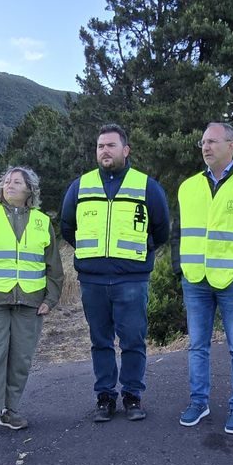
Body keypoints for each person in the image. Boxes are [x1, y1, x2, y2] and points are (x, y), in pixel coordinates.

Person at [60, 123, 171, 422]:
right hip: (93, 281)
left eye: (110, 145)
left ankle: (132, 397)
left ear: (126, 150)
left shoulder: (146, 186)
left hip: (131, 280)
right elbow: (67, 227)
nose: (104, 151)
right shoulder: (80, 186)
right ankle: (105, 397)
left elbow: (161, 229)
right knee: (100, 341)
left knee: (133, 341)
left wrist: (138, 255)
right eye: (100, 146)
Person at [171, 122, 233, 434]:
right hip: (195, 279)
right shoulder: (188, 187)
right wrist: (178, 265)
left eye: (212, 141)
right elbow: (179, 231)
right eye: (203, 142)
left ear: (232, 145)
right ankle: (199, 402)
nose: (206, 147)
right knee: (197, 345)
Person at [0, 166, 64, 439]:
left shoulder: (42, 222)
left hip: (30, 301)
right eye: (6, 180)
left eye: (17, 181)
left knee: (20, 359)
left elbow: (54, 266)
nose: (10, 184)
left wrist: (50, 299)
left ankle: (11, 410)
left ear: (30, 189)